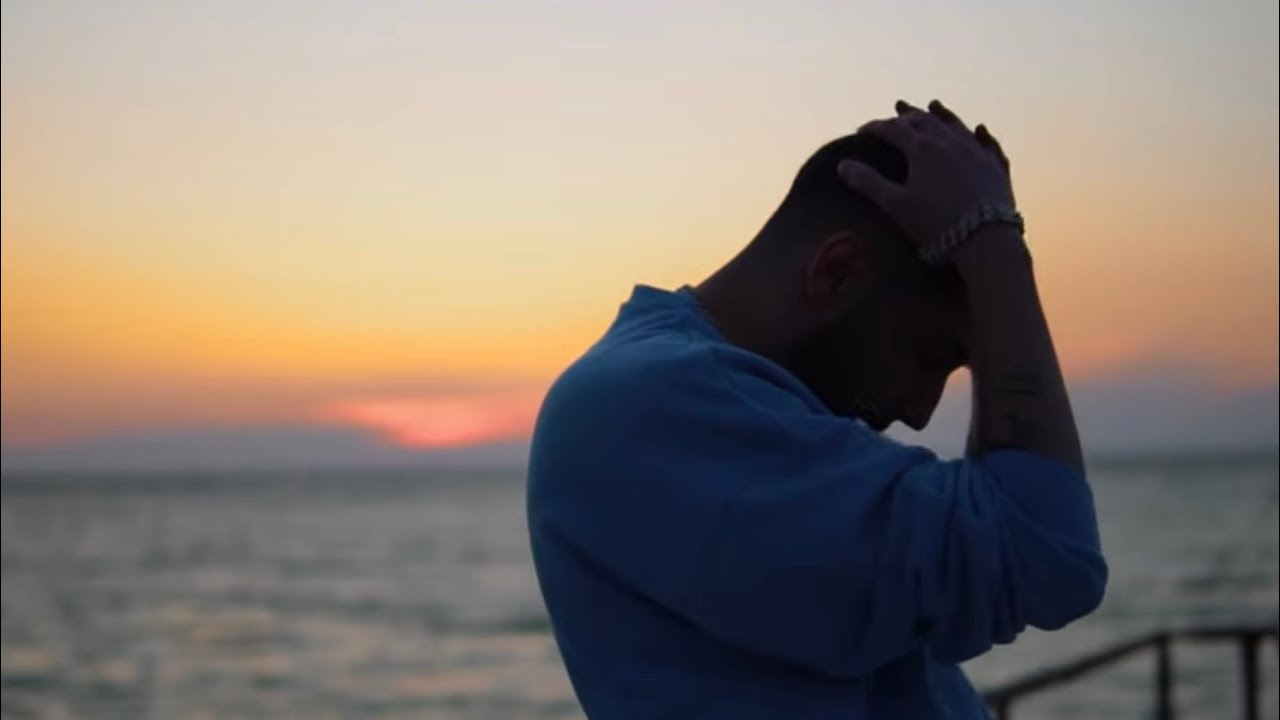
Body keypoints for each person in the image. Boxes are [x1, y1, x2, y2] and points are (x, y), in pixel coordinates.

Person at [526, 99, 1106, 719]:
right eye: (929, 357)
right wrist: (995, 250)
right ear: (837, 273)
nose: (919, 412)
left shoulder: (694, 400)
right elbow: (1044, 549)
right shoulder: (653, 407)